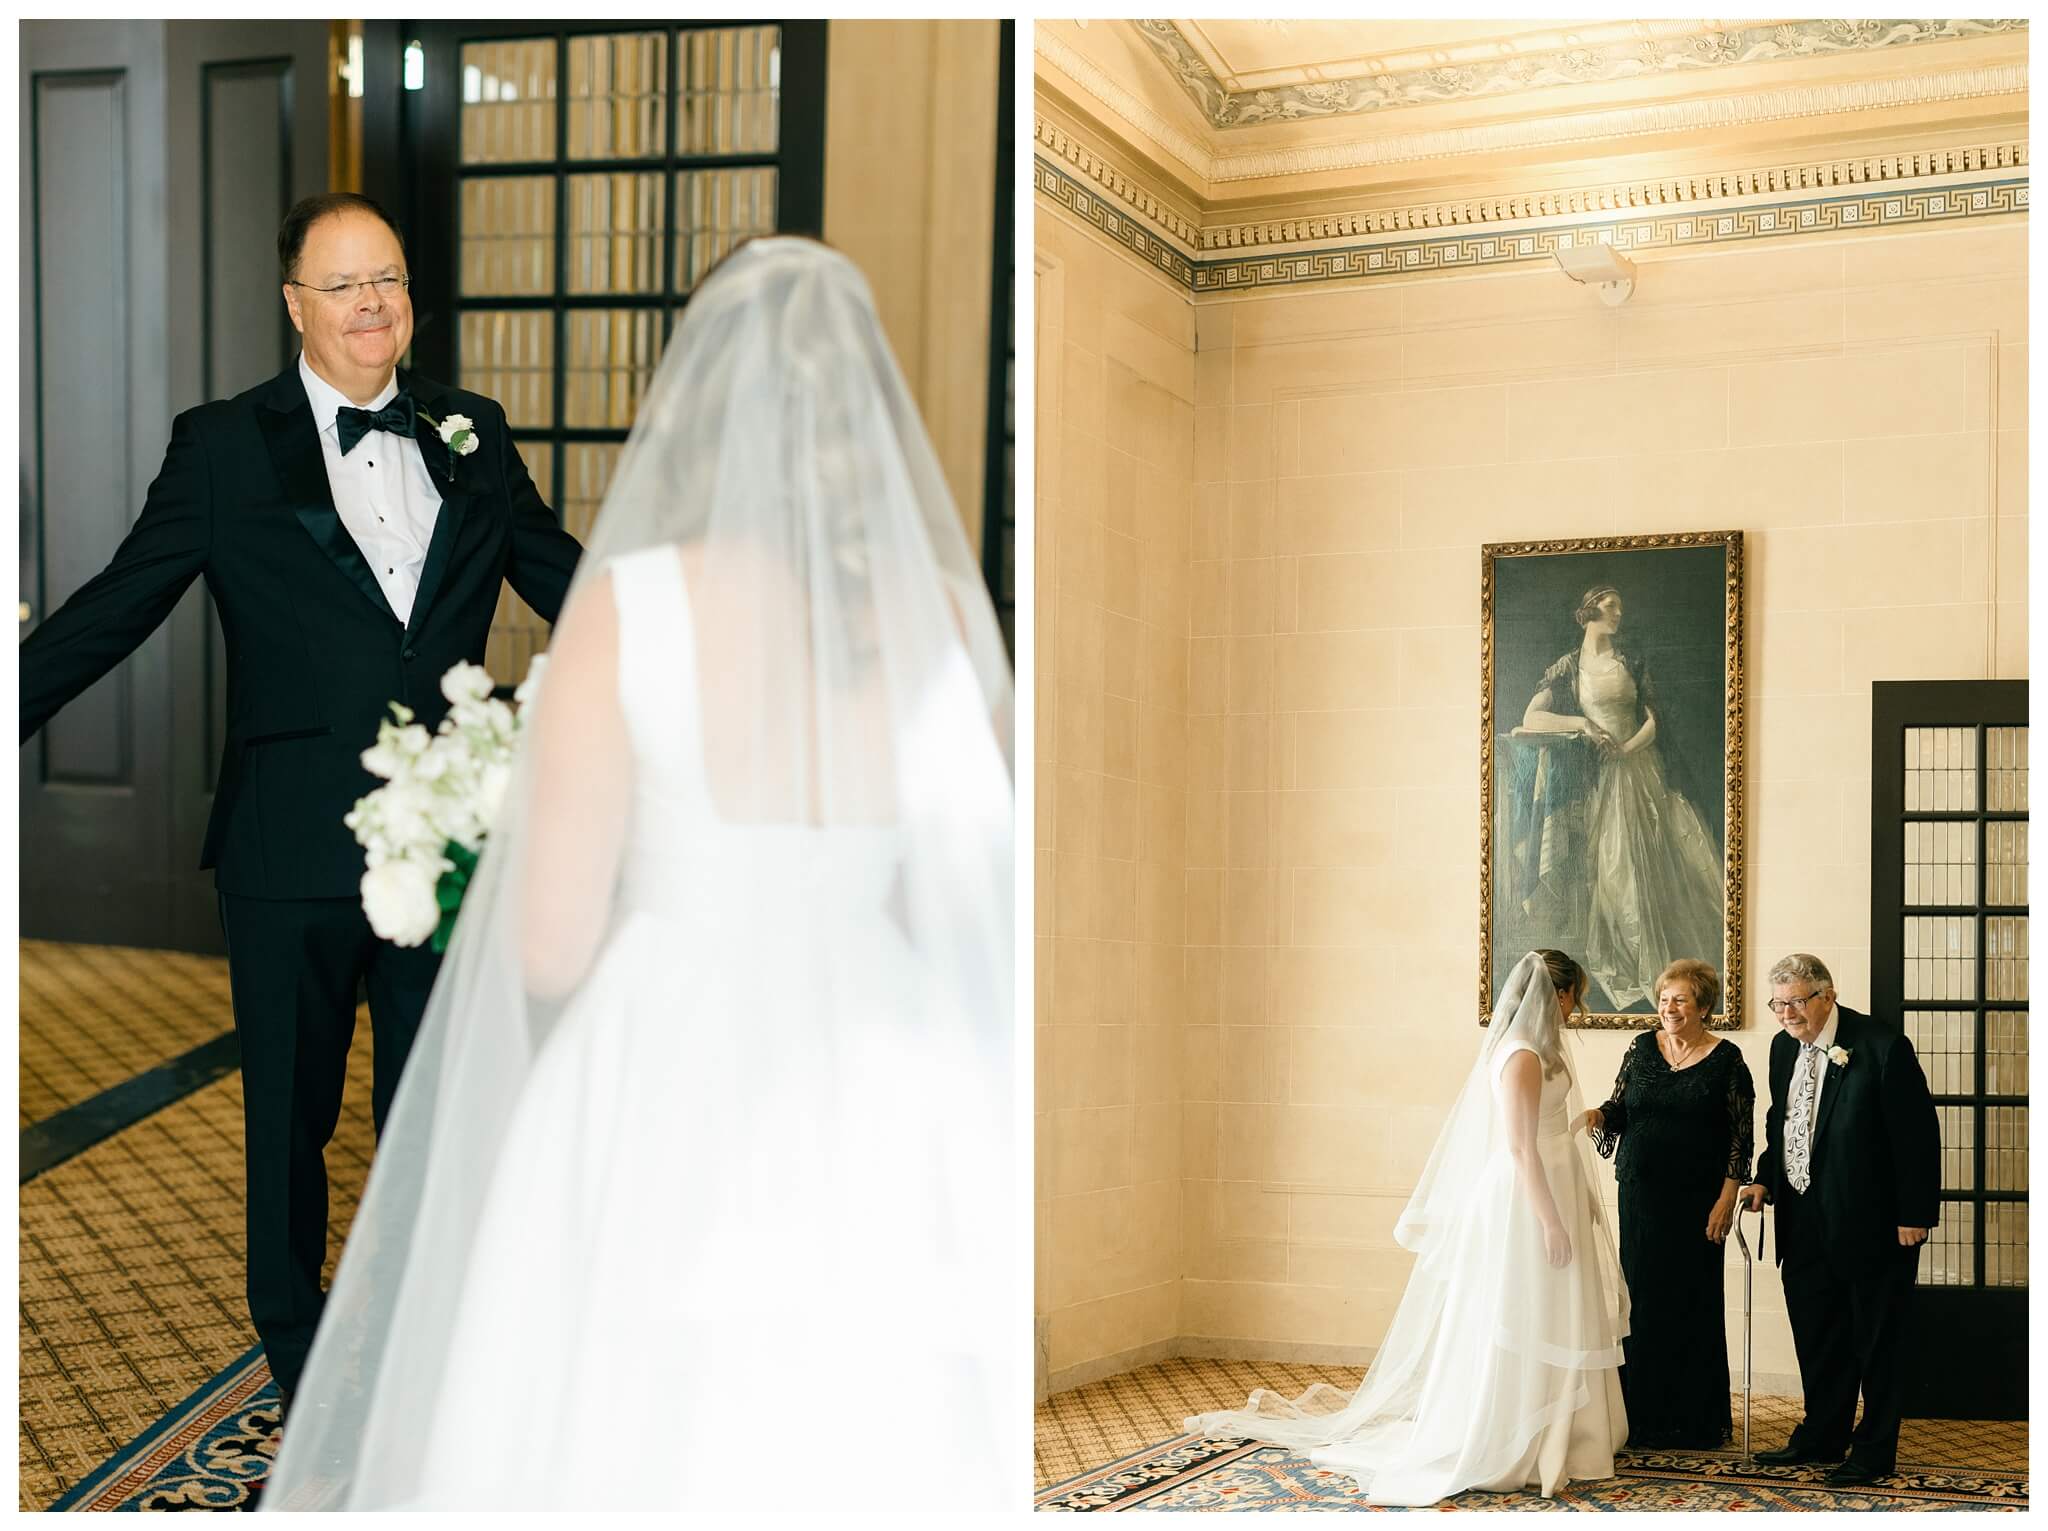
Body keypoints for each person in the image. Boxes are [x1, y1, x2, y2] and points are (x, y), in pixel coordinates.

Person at [260, 238, 1016, 1510]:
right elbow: (968, 891)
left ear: (694, 403)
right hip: (883, 1057)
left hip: (667, 1055)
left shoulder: (632, 607)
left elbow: (548, 942)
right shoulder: (947, 617)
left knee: (617, 1415)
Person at [18, 193, 582, 1417]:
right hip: (288, 841)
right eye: (344, 285)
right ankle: (301, 1348)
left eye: (387, 278)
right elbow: (122, 602)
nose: (373, 303)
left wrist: (704, 636)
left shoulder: (470, 430)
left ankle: (433, 1327)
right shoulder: (223, 444)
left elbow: (565, 583)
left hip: (444, 843)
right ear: (296, 307)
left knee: (434, 1103)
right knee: (289, 1119)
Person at [1187, 950, 1628, 1506]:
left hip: (1556, 1186)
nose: (1577, 1009)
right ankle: (1518, 1435)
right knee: (1523, 1308)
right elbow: (1519, 1148)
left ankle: (1572, 1436)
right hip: (1525, 1199)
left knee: (1558, 1308)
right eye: (1574, 997)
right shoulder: (1519, 1057)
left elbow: (1553, 1133)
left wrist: (1578, 1202)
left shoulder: (1547, 1053)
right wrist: (1549, 1220)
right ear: (1554, 995)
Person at [1737, 954, 1938, 1488]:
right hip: (1802, 1220)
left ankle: (1873, 1450)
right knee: (1819, 1333)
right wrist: (1765, 1179)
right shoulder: (1783, 1047)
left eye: (1796, 1002)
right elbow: (1784, 1123)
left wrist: (1914, 1213)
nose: (1786, 1014)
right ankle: (1823, 1434)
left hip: (1873, 1223)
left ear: (1828, 994)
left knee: (1877, 1339)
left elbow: (1915, 1136)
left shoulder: (1881, 1045)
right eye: (1777, 1004)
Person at [1517, 585, 1723, 1010]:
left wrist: (1627, 749)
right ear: (1589, 611)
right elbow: (1532, 716)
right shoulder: (1569, 667)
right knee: (1615, 868)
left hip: (1640, 770)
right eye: (1611, 607)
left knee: (1654, 862)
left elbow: (1654, 720)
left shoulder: (1629, 661)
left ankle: (1669, 980)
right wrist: (1583, 724)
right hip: (1603, 780)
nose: (1618, 615)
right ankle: (1639, 966)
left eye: (1621, 609)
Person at [1582, 959, 1754, 1448]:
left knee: (1692, 1303)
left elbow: (1741, 1140)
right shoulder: (1640, 1048)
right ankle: (1640, 1419)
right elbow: (1620, 1106)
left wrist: (1726, 1201)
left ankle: (1693, 1421)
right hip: (1640, 1195)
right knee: (1640, 1302)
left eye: (1679, 999)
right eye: (1663, 999)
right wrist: (1597, 1114)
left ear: (1703, 1006)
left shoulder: (1728, 1060)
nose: (1668, 1008)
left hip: (1697, 1203)